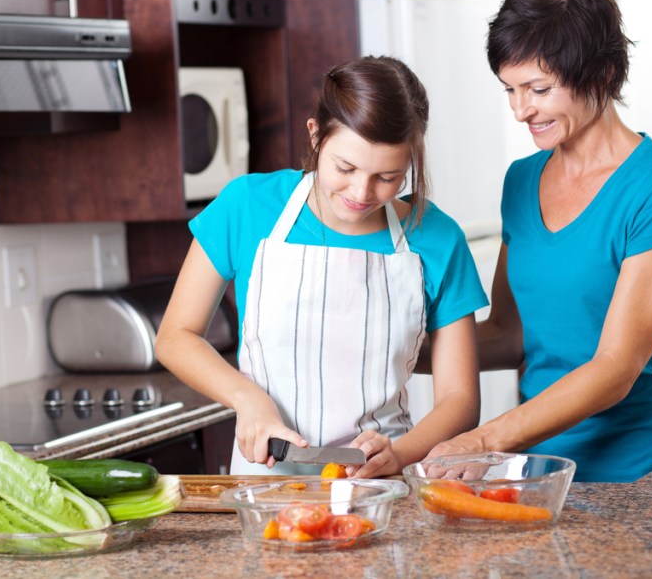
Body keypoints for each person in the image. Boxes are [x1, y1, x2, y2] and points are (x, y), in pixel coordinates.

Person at [426, 0, 652, 482]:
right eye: (509, 90)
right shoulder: (521, 181)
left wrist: (482, 440)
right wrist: (394, 354)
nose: (520, 110)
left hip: (636, 477)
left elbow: (612, 372)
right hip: (537, 474)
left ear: (601, 74)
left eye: (538, 89)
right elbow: (511, 336)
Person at [155, 56, 486, 477]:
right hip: (265, 481)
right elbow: (175, 337)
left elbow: (459, 398)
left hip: (380, 482)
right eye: (345, 168)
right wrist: (247, 399)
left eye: (388, 177)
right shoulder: (247, 205)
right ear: (316, 137)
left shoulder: (438, 238)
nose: (362, 192)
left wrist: (401, 454)